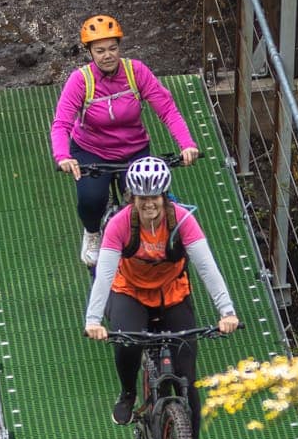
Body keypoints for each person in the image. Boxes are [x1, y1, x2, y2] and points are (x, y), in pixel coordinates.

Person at [84, 153, 238, 432]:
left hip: (172, 292)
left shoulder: (182, 221)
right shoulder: (120, 224)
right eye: (142, 197)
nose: (149, 203)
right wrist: (93, 320)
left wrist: (226, 311)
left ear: (164, 196)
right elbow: (105, 272)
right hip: (130, 290)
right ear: (132, 198)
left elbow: (207, 267)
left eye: (154, 196)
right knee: (127, 341)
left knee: (188, 381)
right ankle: (128, 392)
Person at [50, 13, 197, 262]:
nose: (107, 55)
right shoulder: (80, 80)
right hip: (91, 150)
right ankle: (93, 232)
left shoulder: (136, 72)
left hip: (133, 149)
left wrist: (187, 144)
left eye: (112, 48)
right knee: (91, 199)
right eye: (100, 51)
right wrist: (63, 156)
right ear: (90, 53)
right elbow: (62, 123)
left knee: (146, 201)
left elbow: (167, 109)